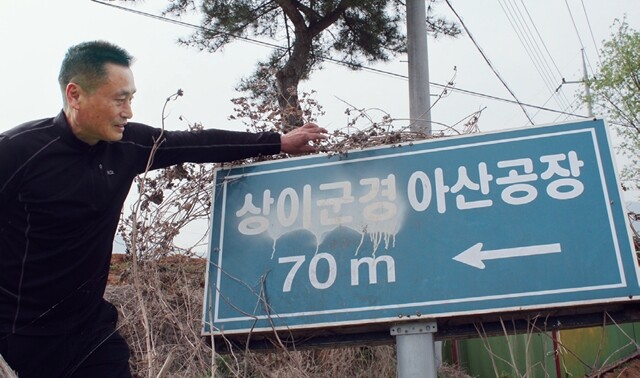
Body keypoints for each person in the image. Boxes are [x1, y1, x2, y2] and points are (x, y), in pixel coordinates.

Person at [0, 40, 327, 377]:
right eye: (119, 99)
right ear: (75, 94)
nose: (128, 111)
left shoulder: (127, 145)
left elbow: (196, 144)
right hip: (21, 337)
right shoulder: (18, 152)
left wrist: (279, 142)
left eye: (131, 99)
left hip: (88, 333)